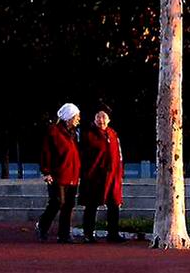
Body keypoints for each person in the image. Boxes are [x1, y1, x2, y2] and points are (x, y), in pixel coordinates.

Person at [78, 110, 126, 243]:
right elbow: (82, 156)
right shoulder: (88, 135)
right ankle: (88, 234)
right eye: (98, 117)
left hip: (112, 176)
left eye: (104, 117)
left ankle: (113, 234)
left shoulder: (113, 134)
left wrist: (120, 172)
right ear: (94, 119)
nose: (101, 120)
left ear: (109, 119)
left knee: (114, 205)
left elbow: (119, 155)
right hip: (94, 176)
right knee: (91, 205)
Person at [36, 102, 81, 244]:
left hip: (72, 174)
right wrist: (46, 172)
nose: (78, 119)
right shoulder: (54, 132)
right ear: (69, 118)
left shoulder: (74, 134)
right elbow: (46, 153)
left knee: (68, 205)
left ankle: (64, 234)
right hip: (58, 174)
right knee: (57, 202)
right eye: (76, 116)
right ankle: (42, 226)